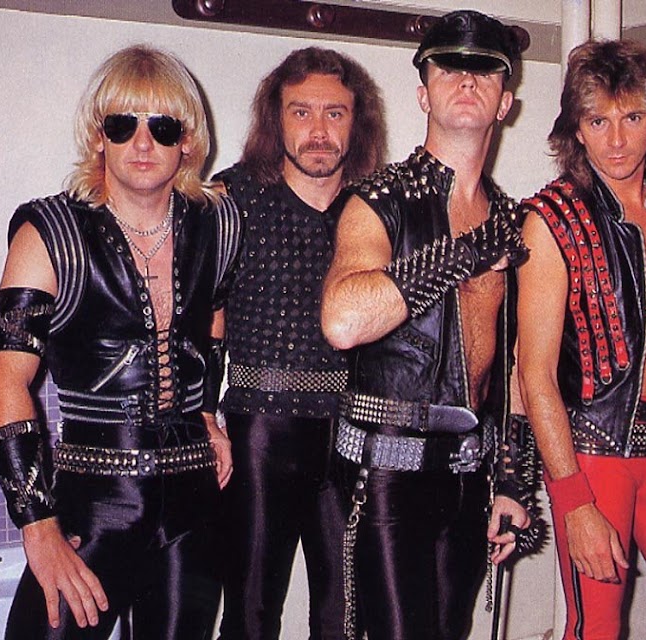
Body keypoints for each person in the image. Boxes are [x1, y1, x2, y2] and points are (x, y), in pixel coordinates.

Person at [0, 45, 241, 639]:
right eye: (122, 124)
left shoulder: (219, 224)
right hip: (95, 506)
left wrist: (205, 411)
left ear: (188, 140)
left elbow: (212, 313)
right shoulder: (51, 232)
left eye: (162, 126)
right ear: (99, 136)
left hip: (195, 505)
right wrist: (38, 527)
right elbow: (2, 382)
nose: (142, 143)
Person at [320, 10, 533, 640]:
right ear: (424, 93)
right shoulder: (378, 200)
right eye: (449, 69)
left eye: (484, 71)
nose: (466, 81)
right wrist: (463, 254)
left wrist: (512, 479)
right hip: (385, 476)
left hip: (469, 475)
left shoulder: (511, 220)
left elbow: (517, 364)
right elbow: (342, 320)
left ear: (505, 103)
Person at [517, 39, 646, 640]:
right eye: (598, 121)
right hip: (593, 455)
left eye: (632, 118)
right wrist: (573, 500)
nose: (617, 140)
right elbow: (534, 374)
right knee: (595, 629)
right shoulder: (551, 219)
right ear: (577, 130)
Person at [211, 47, 385, 640]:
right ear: (276, 118)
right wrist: (204, 415)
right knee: (251, 611)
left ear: (356, 122)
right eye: (301, 112)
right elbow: (203, 317)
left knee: (344, 616)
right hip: (259, 430)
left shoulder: (375, 209)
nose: (318, 130)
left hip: (351, 431)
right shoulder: (232, 199)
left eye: (335, 113)